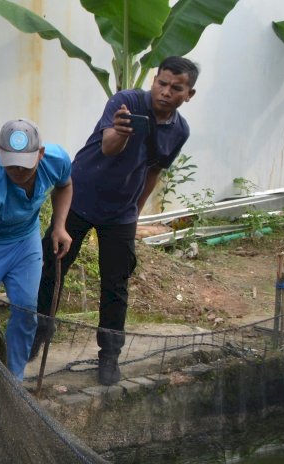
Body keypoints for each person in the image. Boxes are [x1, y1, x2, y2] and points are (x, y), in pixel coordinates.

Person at [33, 56, 198, 385]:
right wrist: (122, 131)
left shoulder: (180, 131)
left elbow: (154, 170)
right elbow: (109, 147)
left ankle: (109, 355)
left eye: (175, 88)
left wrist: (135, 212)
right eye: (161, 83)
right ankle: (37, 335)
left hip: (121, 211)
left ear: (189, 94)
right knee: (52, 267)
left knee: (115, 285)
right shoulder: (125, 102)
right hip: (80, 196)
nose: (165, 92)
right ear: (154, 80)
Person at [0, 120, 73, 380]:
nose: (17, 170)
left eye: (25, 163)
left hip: (25, 241)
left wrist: (59, 226)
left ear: (41, 154)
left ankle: (14, 379)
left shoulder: (57, 160)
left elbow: (65, 185)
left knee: (26, 309)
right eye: (11, 162)